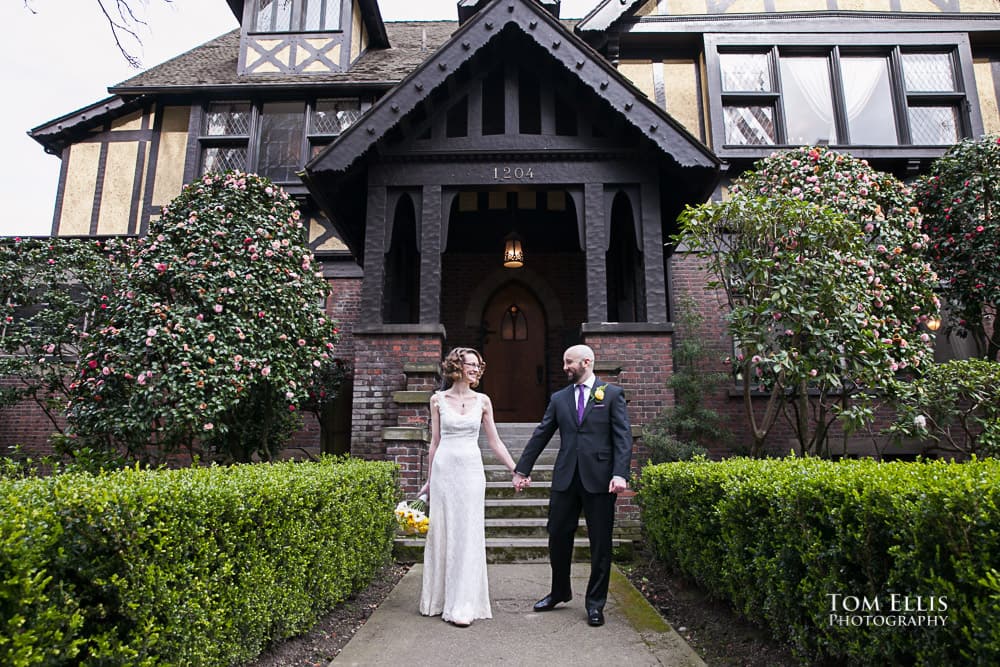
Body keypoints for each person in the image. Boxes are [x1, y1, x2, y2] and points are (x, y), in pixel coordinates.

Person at [513, 344, 632, 627]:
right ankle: (559, 591)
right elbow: (541, 434)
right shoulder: (559, 398)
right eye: (564, 362)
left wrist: (620, 473)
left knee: (600, 543)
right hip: (566, 478)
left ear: (586, 362)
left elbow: (623, 438)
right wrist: (521, 470)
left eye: (569, 362)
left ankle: (595, 604)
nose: (565, 367)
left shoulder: (612, 394)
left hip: (601, 480)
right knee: (557, 535)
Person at [417, 347, 518, 627]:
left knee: (468, 533)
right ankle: (438, 599)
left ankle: (463, 603)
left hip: (472, 473)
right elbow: (435, 443)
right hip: (444, 471)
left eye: (477, 365)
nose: (476, 369)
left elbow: (495, 441)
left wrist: (515, 469)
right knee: (443, 532)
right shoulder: (437, 400)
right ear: (456, 367)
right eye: (470, 364)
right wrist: (428, 480)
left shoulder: (483, 401)